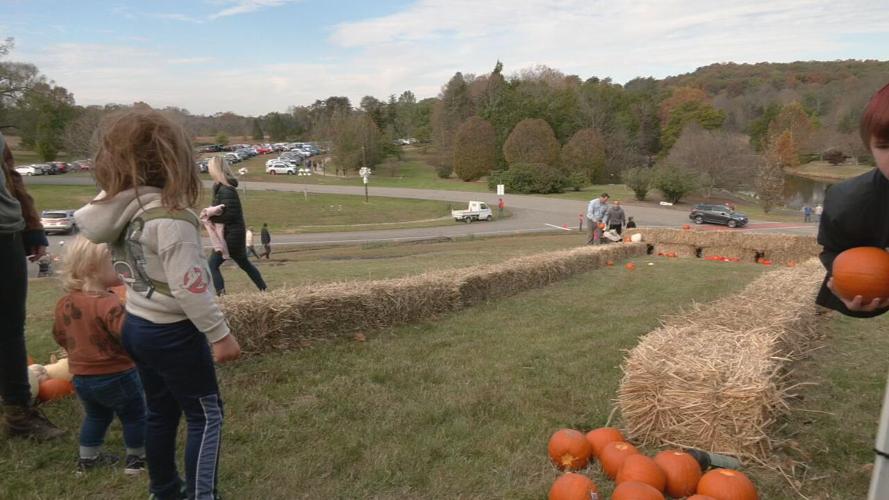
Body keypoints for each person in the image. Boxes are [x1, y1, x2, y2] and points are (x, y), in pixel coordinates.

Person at [75, 109, 241, 500]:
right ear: (174, 163)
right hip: (173, 333)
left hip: (137, 325)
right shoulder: (172, 221)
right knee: (206, 415)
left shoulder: (124, 212)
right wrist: (220, 335)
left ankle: (163, 490)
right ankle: (201, 495)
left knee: (160, 411)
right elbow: (191, 289)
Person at [52, 236, 146, 474]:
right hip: (117, 373)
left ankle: (87, 460)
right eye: (115, 261)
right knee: (134, 415)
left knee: (95, 416)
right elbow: (128, 336)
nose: (122, 265)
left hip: (81, 377)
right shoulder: (108, 303)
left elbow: (59, 335)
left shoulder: (65, 303)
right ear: (94, 268)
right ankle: (136, 460)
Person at [0, 131, 66, 441]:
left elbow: (11, 177)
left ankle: (19, 414)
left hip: (6, 235)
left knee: (10, 328)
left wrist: (32, 226)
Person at [817, 81, 889, 318]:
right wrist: (866, 297)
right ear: (870, 148)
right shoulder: (847, 203)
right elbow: (837, 254)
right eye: (885, 146)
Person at [206, 156, 267, 295]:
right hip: (232, 234)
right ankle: (264, 290)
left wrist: (209, 216)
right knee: (244, 264)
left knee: (212, 265)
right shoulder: (221, 188)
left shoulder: (226, 190)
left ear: (215, 169)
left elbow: (230, 215)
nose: (209, 171)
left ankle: (222, 296)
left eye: (210, 168)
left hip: (231, 235)